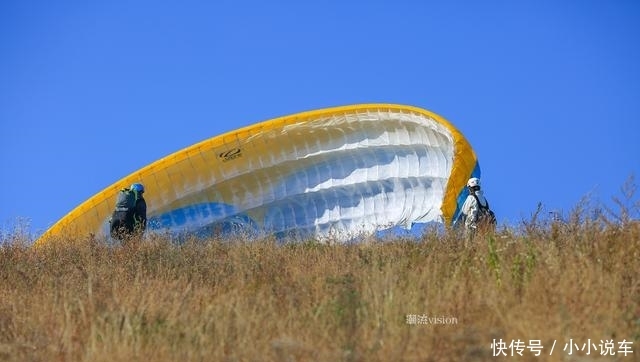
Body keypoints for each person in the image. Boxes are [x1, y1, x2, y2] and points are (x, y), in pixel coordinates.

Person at [460, 177, 492, 243]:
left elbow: (464, 211)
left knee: (469, 246)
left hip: (472, 226)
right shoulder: (484, 199)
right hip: (483, 228)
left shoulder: (471, 197)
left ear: (470, 187)